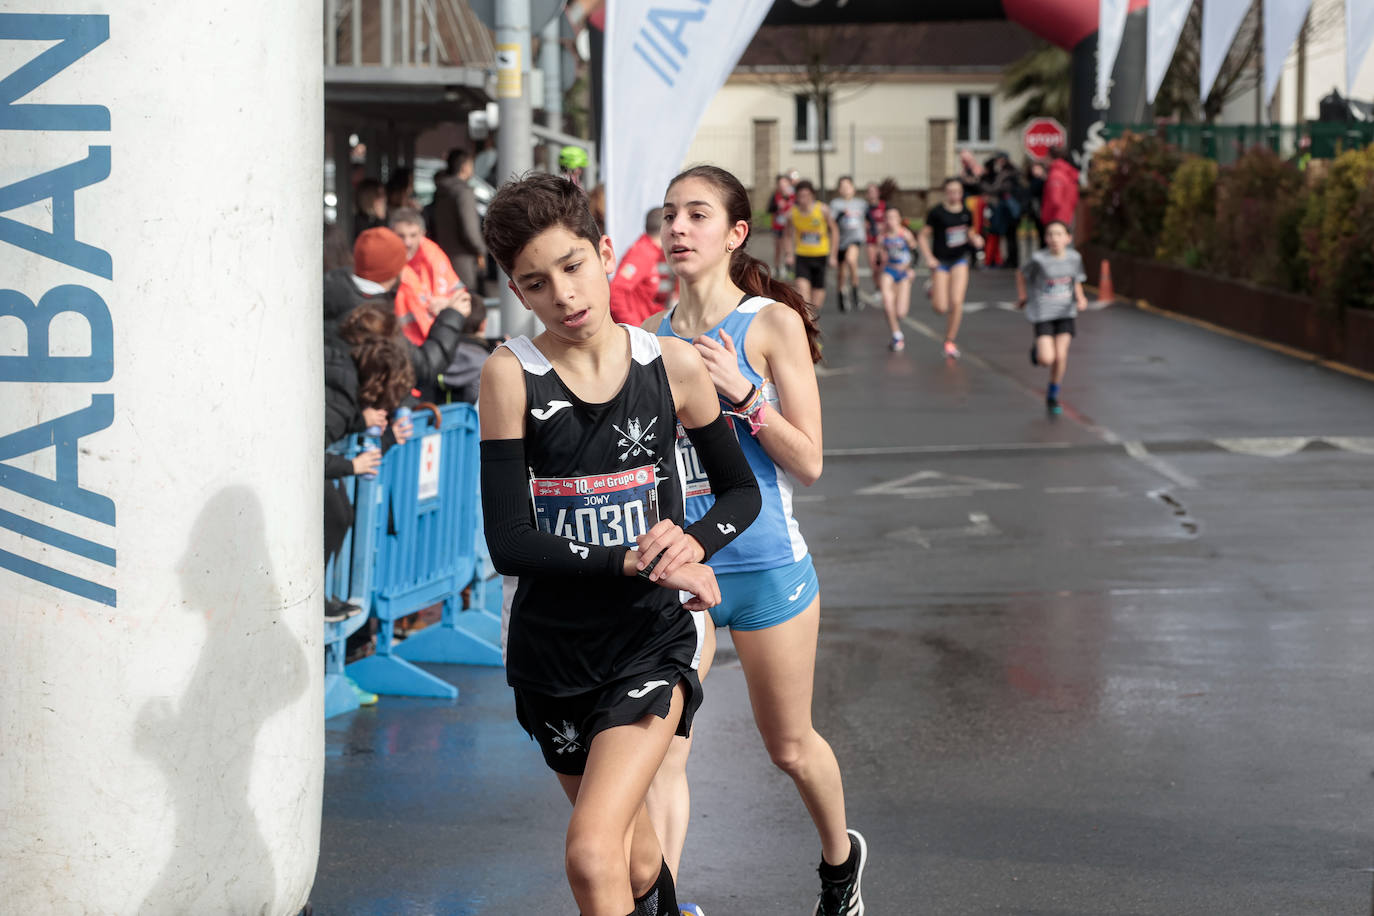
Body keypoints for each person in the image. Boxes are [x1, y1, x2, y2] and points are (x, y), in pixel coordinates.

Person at [477, 172, 761, 916]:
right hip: (551, 655)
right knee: (633, 854)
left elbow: (741, 492)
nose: (564, 295)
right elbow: (508, 541)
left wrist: (688, 547)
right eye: (537, 283)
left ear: (605, 253)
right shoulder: (511, 377)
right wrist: (626, 555)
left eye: (573, 267)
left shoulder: (671, 365)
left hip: (650, 638)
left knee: (589, 853)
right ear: (518, 291)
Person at [647, 165, 867, 916]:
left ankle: (841, 866)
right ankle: (664, 904)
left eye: (697, 214)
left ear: (735, 232)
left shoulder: (767, 324)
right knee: (663, 750)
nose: (678, 227)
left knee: (790, 748)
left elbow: (809, 462)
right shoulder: (647, 342)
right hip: (687, 575)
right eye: (669, 214)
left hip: (769, 567)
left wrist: (744, 392)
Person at [329, 227, 467, 403]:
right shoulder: (375, 319)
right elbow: (423, 366)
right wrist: (453, 315)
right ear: (397, 270)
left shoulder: (332, 290)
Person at [1016, 220, 1087, 415]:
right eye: (1050, 234)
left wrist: (1080, 298)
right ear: (1046, 238)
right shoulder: (1039, 259)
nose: (1054, 238)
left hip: (1065, 313)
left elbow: (1076, 281)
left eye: (1058, 234)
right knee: (1047, 358)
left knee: (1061, 355)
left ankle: (1053, 394)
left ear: (1067, 238)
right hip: (1043, 313)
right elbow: (1021, 274)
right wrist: (1023, 296)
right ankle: (1037, 351)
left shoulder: (1074, 258)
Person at [917, 177, 984, 359]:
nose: (955, 195)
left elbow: (968, 231)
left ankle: (950, 340)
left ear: (962, 193)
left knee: (957, 301)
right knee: (940, 307)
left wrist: (975, 238)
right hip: (941, 262)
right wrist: (929, 258)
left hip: (959, 260)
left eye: (958, 192)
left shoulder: (966, 212)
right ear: (946, 192)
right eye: (951, 191)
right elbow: (922, 236)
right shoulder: (937, 213)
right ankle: (933, 288)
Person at [388, 207, 470, 346]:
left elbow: (463, 298)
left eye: (413, 235)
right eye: (401, 236)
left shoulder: (434, 256)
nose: (407, 242)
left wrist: (447, 303)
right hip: (398, 341)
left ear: (422, 234)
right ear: (391, 235)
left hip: (435, 338)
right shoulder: (384, 258)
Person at [431, 148, 488, 293]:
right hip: (464, 261)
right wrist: (481, 249)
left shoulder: (441, 190)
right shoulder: (463, 192)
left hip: (442, 256)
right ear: (464, 167)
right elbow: (470, 230)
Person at [610, 208, 676, 326]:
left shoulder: (653, 251)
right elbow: (616, 292)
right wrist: (635, 328)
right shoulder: (642, 253)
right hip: (640, 331)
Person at [785, 180, 838, 313]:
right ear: (796, 197)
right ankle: (807, 325)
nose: (804, 199)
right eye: (801, 196)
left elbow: (835, 231)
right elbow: (787, 235)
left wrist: (833, 255)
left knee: (816, 303)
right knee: (804, 298)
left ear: (812, 196)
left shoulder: (822, 210)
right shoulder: (792, 214)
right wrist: (789, 254)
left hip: (820, 256)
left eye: (807, 196)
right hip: (802, 256)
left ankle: (811, 325)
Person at [876, 207, 918, 352]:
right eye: (888, 218)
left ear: (899, 219)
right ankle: (897, 334)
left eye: (894, 217)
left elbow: (915, 254)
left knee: (901, 313)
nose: (891, 221)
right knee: (888, 303)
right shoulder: (883, 237)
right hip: (889, 270)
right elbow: (879, 257)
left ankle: (896, 332)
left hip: (903, 272)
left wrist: (911, 269)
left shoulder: (905, 234)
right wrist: (880, 259)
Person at [828, 177, 868, 312]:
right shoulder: (835, 204)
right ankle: (841, 295)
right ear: (839, 189)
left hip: (855, 239)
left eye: (848, 186)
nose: (846, 189)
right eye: (842, 187)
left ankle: (855, 291)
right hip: (841, 241)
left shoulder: (861, 204)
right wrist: (840, 214)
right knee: (841, 272)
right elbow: (831, 223)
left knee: (851, 260)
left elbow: (869, 218)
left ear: (853, 188)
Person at [1041, 146, 1081, 235]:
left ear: (1050, 156)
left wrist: (1046, 217)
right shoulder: (1066, 171)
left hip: (1056, 218)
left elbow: (1055, 200)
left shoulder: (1056, 174)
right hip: (1067, 215)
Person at [766, 173, 795, 278]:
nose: (782, 186)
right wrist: (777, 206)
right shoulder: (775, 195)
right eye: (780, 183)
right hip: (777, 225)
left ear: (788, 183)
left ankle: (788, 267)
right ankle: (777, 267)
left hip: (790, 227)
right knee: (778, 247)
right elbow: (769, 209)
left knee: (788, 246)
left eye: (784, 183)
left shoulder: (794, 196)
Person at [863, 181, 888, 300]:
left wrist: (883, 227)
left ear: (878, 193)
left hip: (883, 241)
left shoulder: (885, 206)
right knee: (874, 266)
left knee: (883, 264)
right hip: (871, 241)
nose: (872, 194)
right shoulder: (865, 208)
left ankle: (885, 289)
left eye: (874, 191)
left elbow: (891, 220)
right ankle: (878, 288)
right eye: (869, 192)